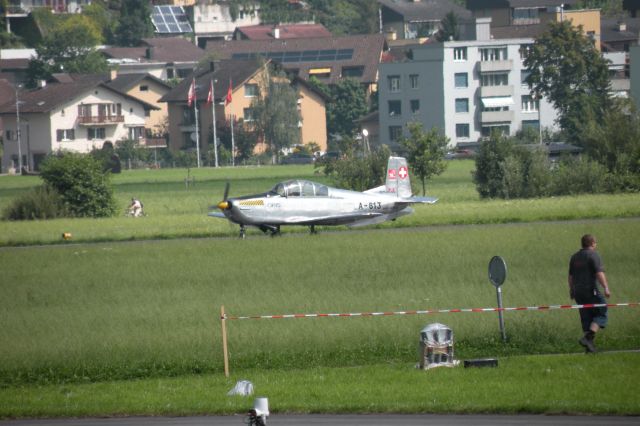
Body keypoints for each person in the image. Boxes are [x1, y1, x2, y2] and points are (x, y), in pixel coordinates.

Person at [568, 234, 611, 353]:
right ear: (592, 243)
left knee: (586, 318)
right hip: (590, 291)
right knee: (602, 311)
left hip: (578, 292)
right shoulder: (593, 255)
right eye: (595, 243)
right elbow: (599, 273)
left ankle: (589, 348)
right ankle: (587, 338)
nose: (596, 245)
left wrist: (572, 290)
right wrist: (606, 287)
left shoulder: (574, 257)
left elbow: (570, 276)